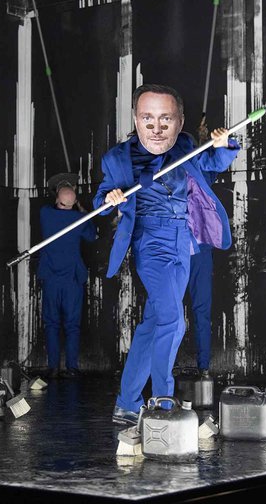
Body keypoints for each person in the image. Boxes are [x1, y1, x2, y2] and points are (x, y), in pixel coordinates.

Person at [93, 83, 240, 425]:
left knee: (153, 324)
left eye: (166, 119)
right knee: (173, 322)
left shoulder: (185, 146)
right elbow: (101, 200)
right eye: (148, 119)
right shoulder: (117, 158)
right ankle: (162, 402)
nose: (156, 128)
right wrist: (110, 199)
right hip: (150, 242)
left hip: (182, 241)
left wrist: (223, 146)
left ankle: (127, 403)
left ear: (179, 121)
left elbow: (211, 165)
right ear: (136, 119)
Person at [38, 174, 97, 379]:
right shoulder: (79, 219)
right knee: (72, 326)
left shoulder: (45, 213)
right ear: (74, 202)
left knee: (52, 324)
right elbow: (91, 236)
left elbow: (53, 203)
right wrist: (83, 212)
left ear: (57, 199)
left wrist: (61, 190)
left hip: (51, 278)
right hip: (72, 279)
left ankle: (53, 368)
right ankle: (72, 368)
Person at [185, 118, 218, 376]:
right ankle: (161, 371)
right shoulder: (169, 176)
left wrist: (206, 141)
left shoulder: (202, 175)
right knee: (166, 314)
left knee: (201, 310)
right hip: (174, 253)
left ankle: (203, 367)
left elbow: (211, 165)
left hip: (199, 252)